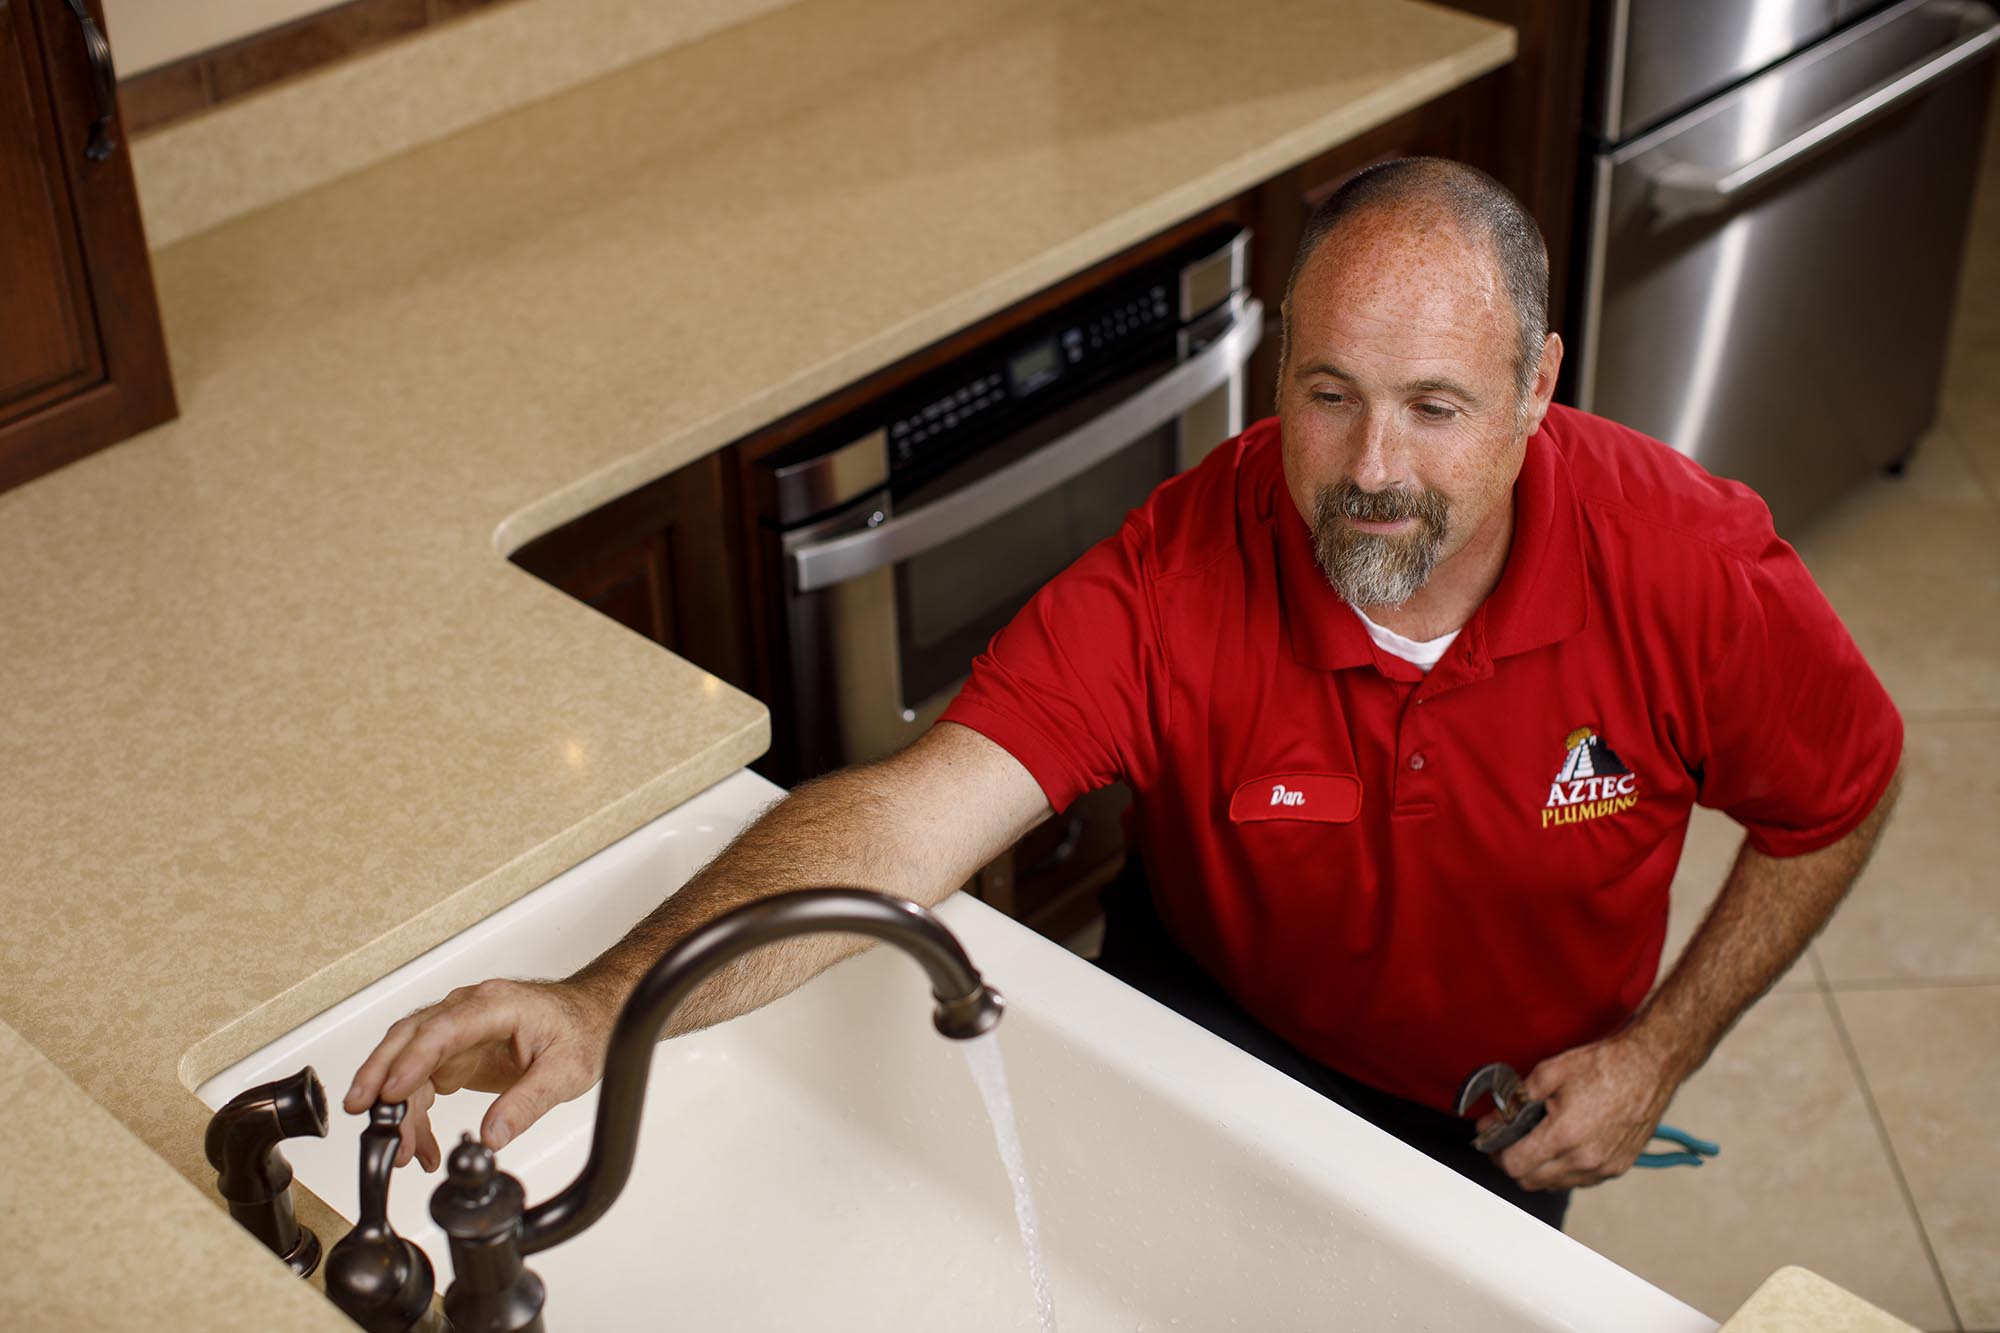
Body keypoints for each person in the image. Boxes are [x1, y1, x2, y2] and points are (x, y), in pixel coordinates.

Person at [345, 159, 1901, 1231]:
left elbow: (1842, 795)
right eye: (1329, 395)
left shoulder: (1687, 568)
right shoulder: (1182, 569)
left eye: (1436, 409)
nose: (1371, 473)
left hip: (1507, 1115)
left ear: (1540, 386)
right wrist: (608, 1005)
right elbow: (901, 822)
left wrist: (1666, 1047)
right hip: (1208, 1032)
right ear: (1281, 372)